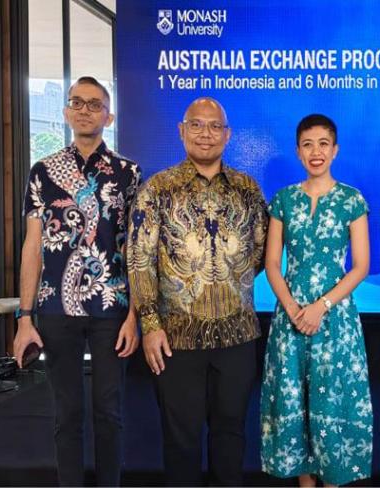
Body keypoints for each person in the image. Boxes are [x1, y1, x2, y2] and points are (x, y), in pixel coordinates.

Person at [127, 97, 268, 486]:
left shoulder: (247, 190)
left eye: (214, 127)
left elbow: (260, 251)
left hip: (237, 335)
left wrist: (225, 284)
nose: (206, 134)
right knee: (181, 441)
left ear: (227, 134)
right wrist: (150, 325)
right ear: (182, 130)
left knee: (231, 437)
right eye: (197, 125)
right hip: (175, 338)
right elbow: (139, 259)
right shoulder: (157, 190)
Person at [13, 76, 142, 486]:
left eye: (95, 103)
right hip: (55, 310)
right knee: (66, 413)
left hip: (112, 309)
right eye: (77, 102)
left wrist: (134, 315)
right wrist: (24, 317)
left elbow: (135, 250)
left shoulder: (128, 173)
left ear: (109, 114)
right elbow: (32, 247)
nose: (85, 110)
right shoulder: (43, 172)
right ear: (67, 112)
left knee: (109, 413)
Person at [260, 114, 373, 487]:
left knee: (330, 408)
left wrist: (320, 307)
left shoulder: (351, 200)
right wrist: (294, 309)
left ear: (335, 149)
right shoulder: (283, 201)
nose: (316, 151)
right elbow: (272, 264)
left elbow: (360, 267)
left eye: (323, 143)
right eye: (308, 144)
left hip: (334, 321)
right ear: (297, 151)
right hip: (290, 321)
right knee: (297, 406)